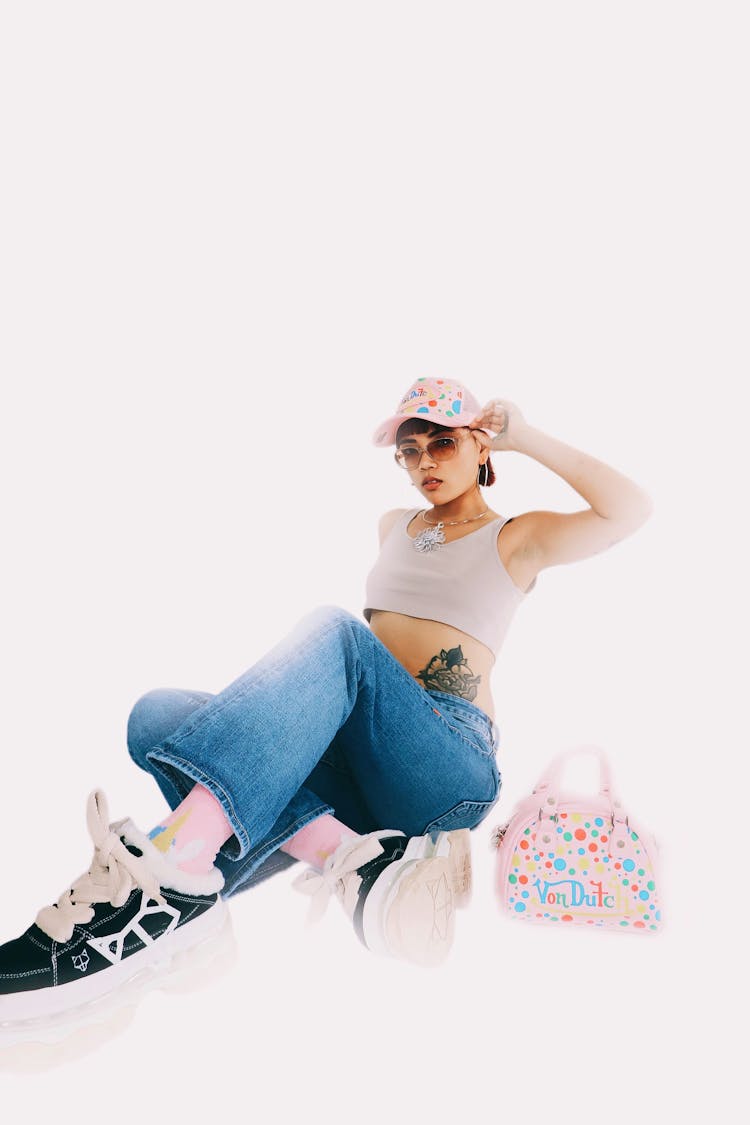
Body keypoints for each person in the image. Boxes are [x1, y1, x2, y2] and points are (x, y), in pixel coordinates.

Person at [0, 377, 653, 1020]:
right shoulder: (394, 525)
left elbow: (629, 510)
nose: (425, 461)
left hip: (447, 765)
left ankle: (175, 863)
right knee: (158, 715)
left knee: (337, 634)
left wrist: (526, 437)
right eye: (411, 448)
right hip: (357, 759)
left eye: (444, 444)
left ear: (482, 449)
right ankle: (347, 861)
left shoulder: (517, 537)